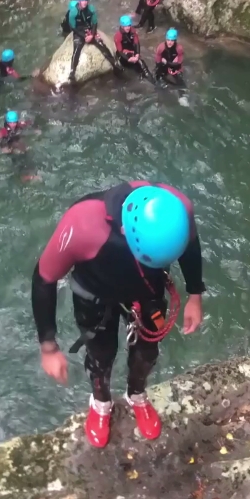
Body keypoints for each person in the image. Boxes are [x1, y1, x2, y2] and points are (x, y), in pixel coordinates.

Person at [31, 181, 205, 448]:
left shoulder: (178, 208)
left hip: (146, 291)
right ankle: (101, 401)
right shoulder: (82, 225)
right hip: (95, 294)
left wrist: (195, 295)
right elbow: (44, 278)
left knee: (147, 352)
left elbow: (190, 247)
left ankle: (136, 394)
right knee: (101, 356)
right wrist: (48, 347)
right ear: (125, 232)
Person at [67, 0, 121, 83]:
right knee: (76, 49)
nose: (85, 2)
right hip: (79, 31)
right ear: (79, 1)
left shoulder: (91, 9)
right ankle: (72, 72)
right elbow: (73, 27)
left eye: (86, 0)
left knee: (101, 45)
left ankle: (114, 63)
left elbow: (95, 23)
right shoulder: (73, 12)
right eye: (83, 0)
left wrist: (92, 34)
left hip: (89, 30)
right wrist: (84, 36)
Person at [114, 15, 156, 84]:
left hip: (132, 52)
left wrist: (137, 54)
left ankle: (152, 81)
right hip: (123, 55)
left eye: (129, 25)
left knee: (141, 64)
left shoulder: (133, 31)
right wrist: (128, 59)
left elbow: (136, 43)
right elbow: (120, 50)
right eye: (126, 26)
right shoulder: (118, 36)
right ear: (122, 26)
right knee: (127, 68)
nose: (128, 28)